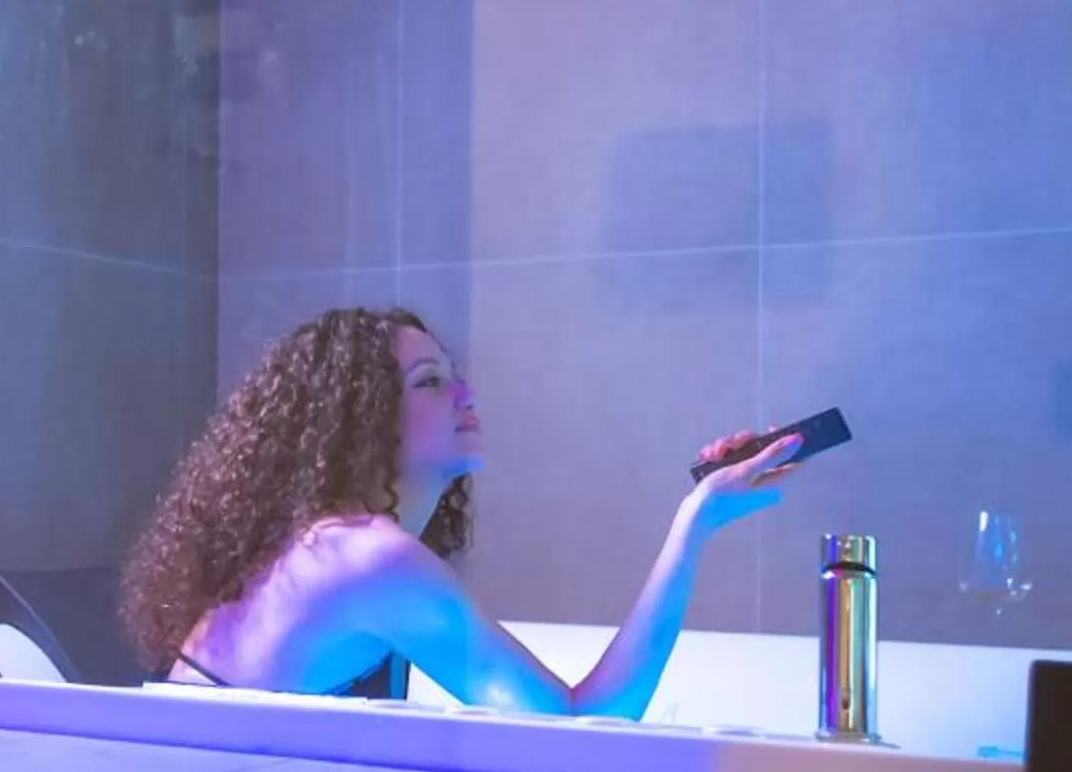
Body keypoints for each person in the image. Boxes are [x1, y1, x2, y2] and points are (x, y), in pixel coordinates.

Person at [119, 306, 800, 719]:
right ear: (363, 421)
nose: (465, 395)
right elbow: (582, 728)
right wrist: (693, 526)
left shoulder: (332, 545)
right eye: (431, 382)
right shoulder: (362, 557)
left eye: (454, 375)